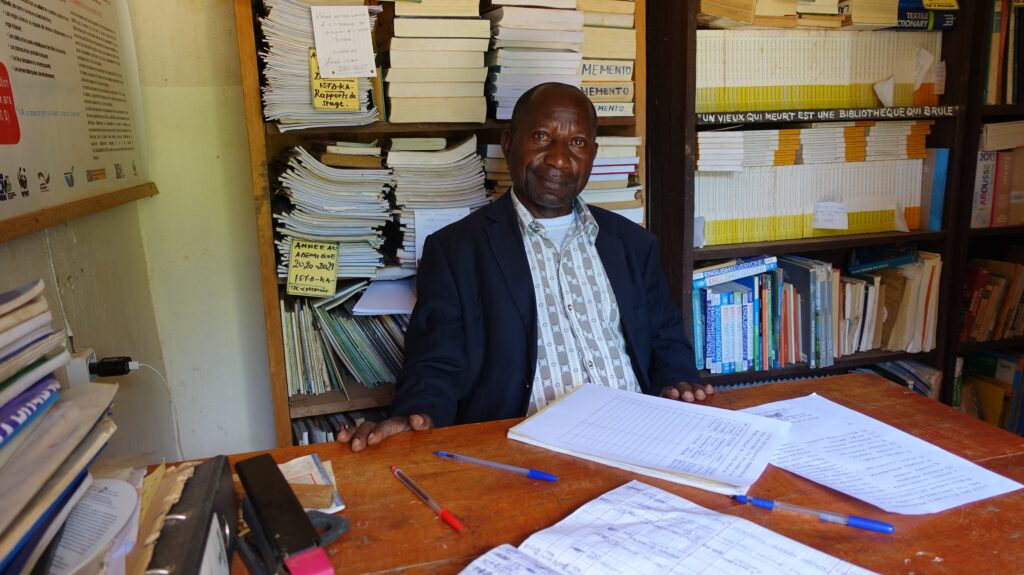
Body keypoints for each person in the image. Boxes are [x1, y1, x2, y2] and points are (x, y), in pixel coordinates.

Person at [339, 82, 710, 452]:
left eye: (577, 143)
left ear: (593, 155)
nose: (559, 159)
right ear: (508, 143)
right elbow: (436, 365)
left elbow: (665, 340)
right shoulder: (456, 251)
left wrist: (677, 381)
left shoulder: (632, 244)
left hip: (638, 436)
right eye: (542, 137)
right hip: (525, 448)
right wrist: (417, 416)